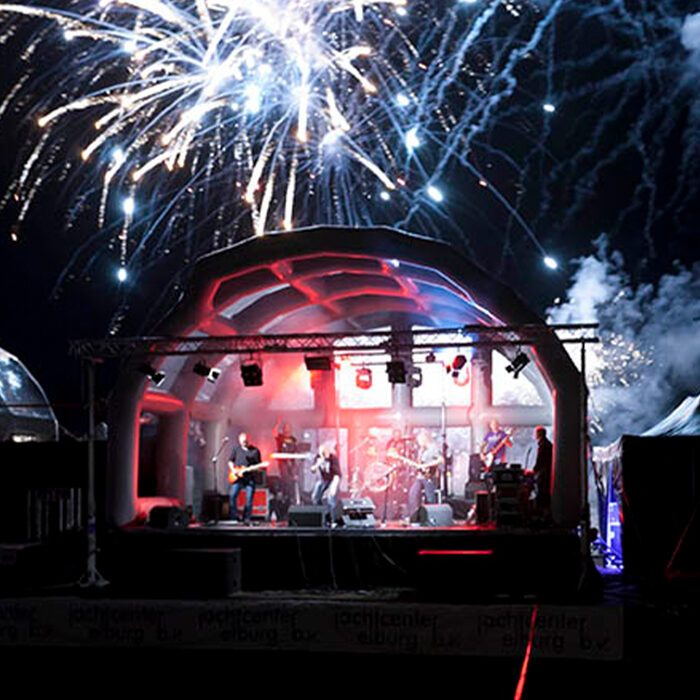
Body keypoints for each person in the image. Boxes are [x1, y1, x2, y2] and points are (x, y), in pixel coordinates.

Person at [407, 431, 443, 522]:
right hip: (420, 477)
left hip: (429, 476)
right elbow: (419, 464)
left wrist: (426, 465)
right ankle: (414, 517)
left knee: (430, 497)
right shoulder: (421, 450)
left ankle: (432, 518)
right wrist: (416, 465)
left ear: (425, 439)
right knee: (412, 493)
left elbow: (441, 460)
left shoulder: (433, 448)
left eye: (420, 440)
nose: (419, 442)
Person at [228, 432, 262, 524]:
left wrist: (251, 469)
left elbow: (259, 466)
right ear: (239, 441)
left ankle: (246, 518)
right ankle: (234, 517)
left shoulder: (255, 451)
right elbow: (230, 461)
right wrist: (233, 470)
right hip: (237, 477)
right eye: (243, 441)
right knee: (232, 495)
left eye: (246, 441)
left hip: (250, 478)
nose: (245, 443)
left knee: (249, 499)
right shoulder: (236, 449)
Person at [272, 419, 298, 514]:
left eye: (289, 428)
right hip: (283, 463)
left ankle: (292, 498)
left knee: (292, 480)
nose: (287, 430)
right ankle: (285, 496)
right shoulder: (280, 437)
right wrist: (278, 422)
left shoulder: (293, 439)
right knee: (285, 479)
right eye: (286, 428)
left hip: (292, 463)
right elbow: (274, 432)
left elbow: (296, 450)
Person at [529, 425, 553, 522]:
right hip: (546, 472)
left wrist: (535, 470)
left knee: (542, 493)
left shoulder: (543, 446)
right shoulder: (547, 444)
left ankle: (542, 515)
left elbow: (541, 460)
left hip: (544, 474)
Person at [311, 441, 341, 513]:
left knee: (330, 497)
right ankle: (319, 513)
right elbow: (312, 470)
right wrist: (318, 464)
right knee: (315, 496)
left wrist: (333, 487)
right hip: (323, 479)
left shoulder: (333, 458)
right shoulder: (318, 458)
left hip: (333, 479)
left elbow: (337, 474)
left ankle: (332, 515)